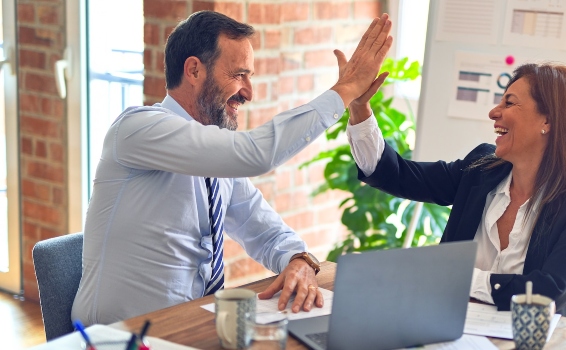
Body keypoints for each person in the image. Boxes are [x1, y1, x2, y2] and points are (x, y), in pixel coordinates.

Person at [72, 10, 392, 325]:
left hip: (191, 329)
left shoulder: (216, 159)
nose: (249, 92)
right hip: (119, 338)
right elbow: (257, 154)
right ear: (194, 71)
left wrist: (299, 259)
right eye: (239, 74)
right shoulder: (138, 129)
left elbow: (264, 229)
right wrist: (346, 90)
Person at [346, 63, 566, 317]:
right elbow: (397, 175)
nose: (494, 112)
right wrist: (360, 108)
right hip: (450, 331)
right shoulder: (480, 170)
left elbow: (547, 294)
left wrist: (457, 277)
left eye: (509, 103)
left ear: (548, 121)